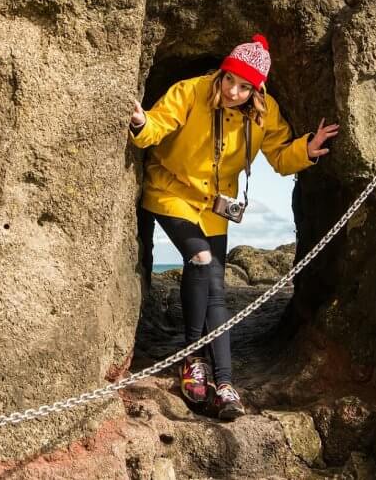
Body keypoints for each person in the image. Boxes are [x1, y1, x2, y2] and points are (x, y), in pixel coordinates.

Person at [129, 34, 338, 420]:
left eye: (244, 87)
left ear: (256, 90)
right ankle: (193, 360)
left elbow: (278, 155)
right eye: (229, 80)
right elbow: (161, 121)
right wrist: (143, 123)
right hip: (171, 191)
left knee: (216, 288)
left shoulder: (265, 112)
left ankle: (224, 383)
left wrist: (305, 150)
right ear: (222, 72)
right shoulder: (191, 90)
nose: (233, 91)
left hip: (214, 205)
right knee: (201, 258)